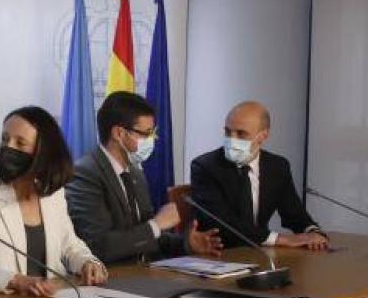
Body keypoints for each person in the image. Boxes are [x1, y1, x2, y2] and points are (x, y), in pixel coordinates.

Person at [0, 106, 107, 295]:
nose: (8, 148)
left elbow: (70, 244)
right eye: (5, 139)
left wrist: (88, 263)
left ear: (43, 152)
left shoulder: (53, 194)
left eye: (20, 143)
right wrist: (13, 280)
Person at [65, 91, 222, 263]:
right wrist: (156, 224)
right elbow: (99, 246)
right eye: (145, 133)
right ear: (119, 134)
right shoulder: (85, 174)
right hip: (110, 280)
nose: (151, 140)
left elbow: (149, 237)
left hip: (146, 274)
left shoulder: (136, 173)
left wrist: (186, 244)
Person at [190, 100, 328, 250]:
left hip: (259, 254)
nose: (232, 139)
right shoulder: (205, 167)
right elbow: (223, 223)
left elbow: (294, 213)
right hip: (219, 253)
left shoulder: (277, 166)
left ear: (263, 135)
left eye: (241, 134)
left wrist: (313, 232)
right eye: (228, 132)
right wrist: (280, 239)